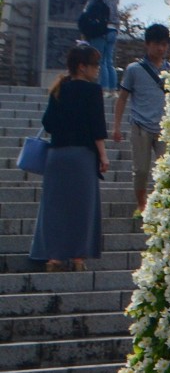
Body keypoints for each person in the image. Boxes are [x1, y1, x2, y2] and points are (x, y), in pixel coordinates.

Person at [30, 43, 108, 273]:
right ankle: (77, 257)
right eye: (94, 65)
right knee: (82, 208)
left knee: (55, 207)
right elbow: (97, 128)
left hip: (57, 155)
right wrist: (103, 155)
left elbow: (48, 123)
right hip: (81, 156)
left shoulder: (59, 88)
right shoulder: (93, 91)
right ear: (82, 67)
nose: (97, 70)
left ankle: (53, 258)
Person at [113, 23, 170, 215]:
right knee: (141, 170)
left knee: (166, 169)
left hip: (164, 126)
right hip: (140, 125)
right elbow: (122, 98)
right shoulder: (134, 69)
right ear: (147, 44)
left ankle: (164, 203)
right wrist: (117, 126)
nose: (161, 48)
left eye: (164, 44)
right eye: (157, 44)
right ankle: (142, 204)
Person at [79, 0, 121, 90]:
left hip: (100, 29)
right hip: (113, 29)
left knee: (100, 61)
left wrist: (84, 20)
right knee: (109, 61)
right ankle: (113, 89)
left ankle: (103, 88)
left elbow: (89, 7)